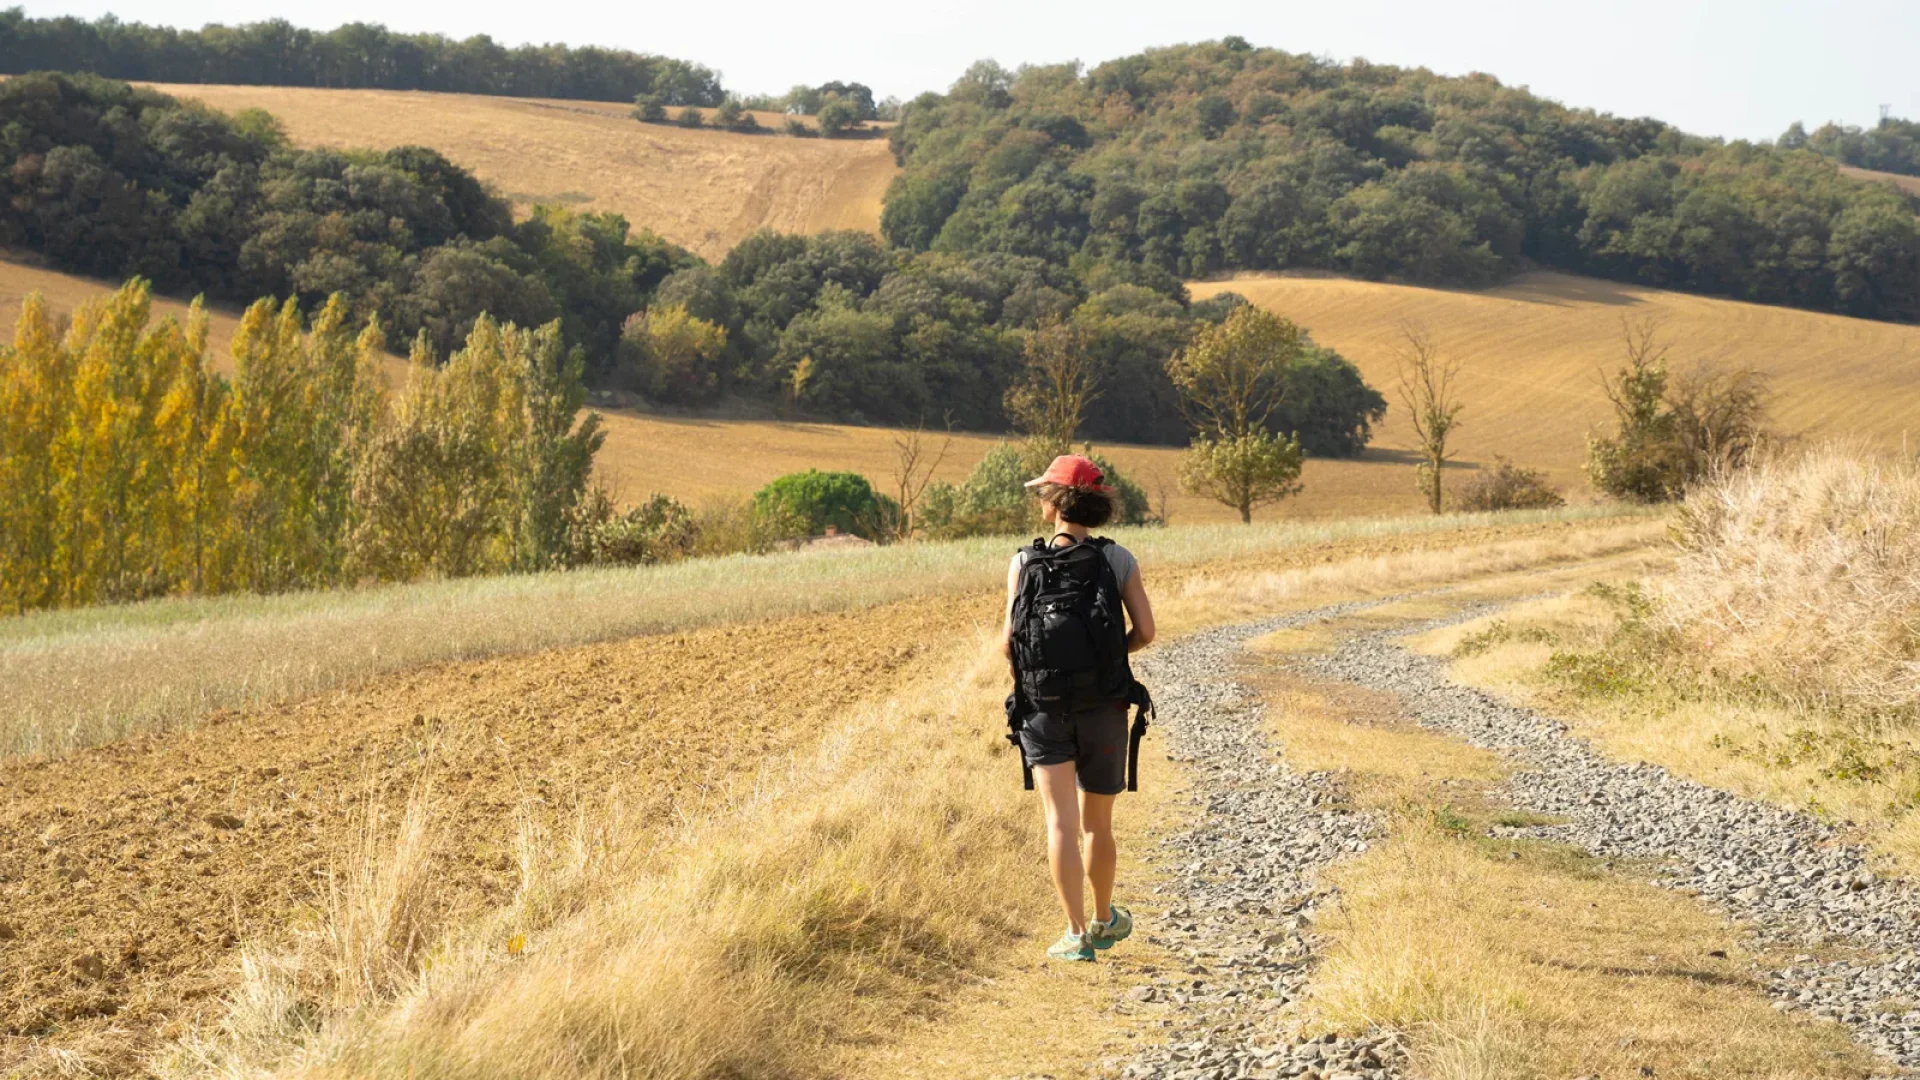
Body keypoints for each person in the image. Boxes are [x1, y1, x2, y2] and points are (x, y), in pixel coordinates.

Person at [1002, 454, 1157, 962]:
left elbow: (1008, 644)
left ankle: (1074, 936)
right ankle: (1105, 918)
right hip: (1105, 707)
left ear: (1055, 503)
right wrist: (1110, 659)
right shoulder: (1117, 560)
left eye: (1043, 492)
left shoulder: (1024, 563)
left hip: (1044, 709)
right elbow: (1147, 633)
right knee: (1098, 824)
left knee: (1060, 825)